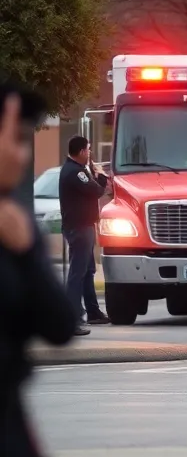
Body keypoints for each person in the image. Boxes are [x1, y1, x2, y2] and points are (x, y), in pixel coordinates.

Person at [0, 84, 78, 457]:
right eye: (14, 138)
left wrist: (26, 250)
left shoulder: (13, 224)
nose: (23, 154)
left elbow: (59, 325)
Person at [58, 136, 110, 334]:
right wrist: (102, 177)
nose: (90, 153)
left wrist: (95, 177)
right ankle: (72, 319)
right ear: (80, 151)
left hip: (84, 226)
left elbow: (90, 191)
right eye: (88, 149)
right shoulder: (75, 172)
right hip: (79, 228)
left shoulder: (76, 170)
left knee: (88, 271)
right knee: (77, 273)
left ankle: (93, 312)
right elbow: (95, 191)